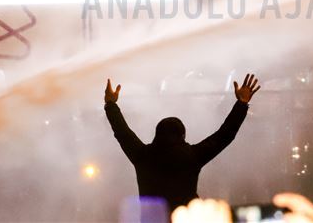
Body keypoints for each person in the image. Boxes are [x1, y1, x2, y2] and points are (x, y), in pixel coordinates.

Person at [104, 74, 261, 212]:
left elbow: (122, 132)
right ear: (183, 135)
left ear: (157, 134)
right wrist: (241, 103)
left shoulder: (142, 156)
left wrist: (110, 104)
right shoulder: (192, 156)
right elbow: (225, 135)